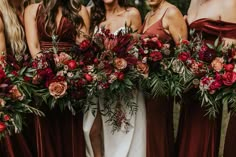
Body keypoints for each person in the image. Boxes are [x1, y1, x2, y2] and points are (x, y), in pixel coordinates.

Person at [24, 0, 89, 157]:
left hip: (73, 80)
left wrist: (69, 73)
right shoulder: (32, 10)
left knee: (71, 133)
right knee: (48, 134)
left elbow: (84, 46)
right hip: (44, 82)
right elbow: (34, 46)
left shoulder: (79, 9)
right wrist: (49, 74)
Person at [83, 0, 145, 157]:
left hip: (125, 86)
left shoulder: (132, 14)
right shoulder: (93, 16)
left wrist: (119, 67)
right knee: (90, 130)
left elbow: (138, 52)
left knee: (121, 134)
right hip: (99, 85)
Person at [176, 0, 236, 157]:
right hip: (190, 83)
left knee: (201, 135)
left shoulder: (229, 3)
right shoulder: (193, 2)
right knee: (186, 131)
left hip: (209, 86)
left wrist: (207, 73)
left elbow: (230, 52)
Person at [141, 0, 187, 157]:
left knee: (156, 131)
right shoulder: (148, 15)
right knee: (145, 132)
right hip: (144, 84)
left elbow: (184, 53)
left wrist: (166, 70)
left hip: (160, 85)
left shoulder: (172, 13)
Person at [0, 0, 37, 157]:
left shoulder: (34, 7)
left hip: (35, 86)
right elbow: (1, 59)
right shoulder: (1, 12)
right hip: (14, 87)